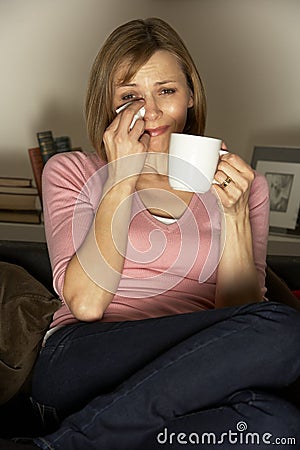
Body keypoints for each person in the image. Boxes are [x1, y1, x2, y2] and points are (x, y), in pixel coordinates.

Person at [2, 17, 300, 450]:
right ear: (107, 105)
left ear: (191, 96)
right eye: (130, 96)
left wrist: (233, 215)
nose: (152, 111)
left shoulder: (241, 184)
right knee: (286, 329)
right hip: (84, 358)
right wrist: (122, 175)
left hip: (195, 377)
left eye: (166, 91)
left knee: (278, 428)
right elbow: (85, 304)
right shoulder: (72, 171)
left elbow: (237, 318)